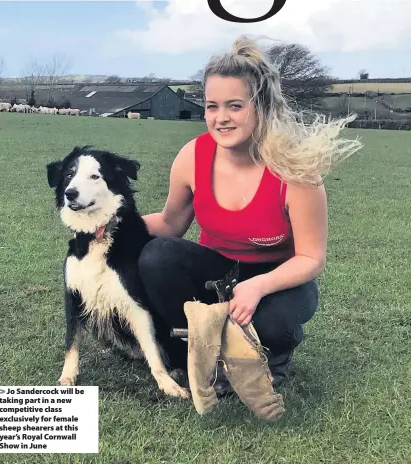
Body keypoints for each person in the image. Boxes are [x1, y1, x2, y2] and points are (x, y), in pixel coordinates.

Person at [138, 36, 362, 390]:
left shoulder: (296, 170)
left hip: (279, 281)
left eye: (235, 106)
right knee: (156, 257)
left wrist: (257, 286)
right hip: (218, 273)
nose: (221, 118)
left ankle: (271, 358)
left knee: (274, 324)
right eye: (212, 106)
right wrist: (114, 224)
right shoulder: (192, 157)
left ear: (261, 107)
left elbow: (310, 258)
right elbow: (170, 223)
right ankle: (200, 350)